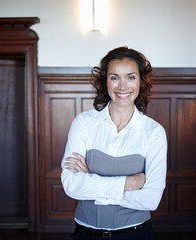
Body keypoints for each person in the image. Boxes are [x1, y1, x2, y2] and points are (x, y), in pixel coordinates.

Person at [61, 46, 167, 240]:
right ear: (105, 81)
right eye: (114, 77)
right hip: (85, 234)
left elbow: (151, 200)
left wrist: (91, 181)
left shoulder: (154, 132)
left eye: (131, 77)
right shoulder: (84, 123)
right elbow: (72, 186)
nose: (122, 86)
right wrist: (130, 182)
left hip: (135, 235)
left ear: (142, 82)